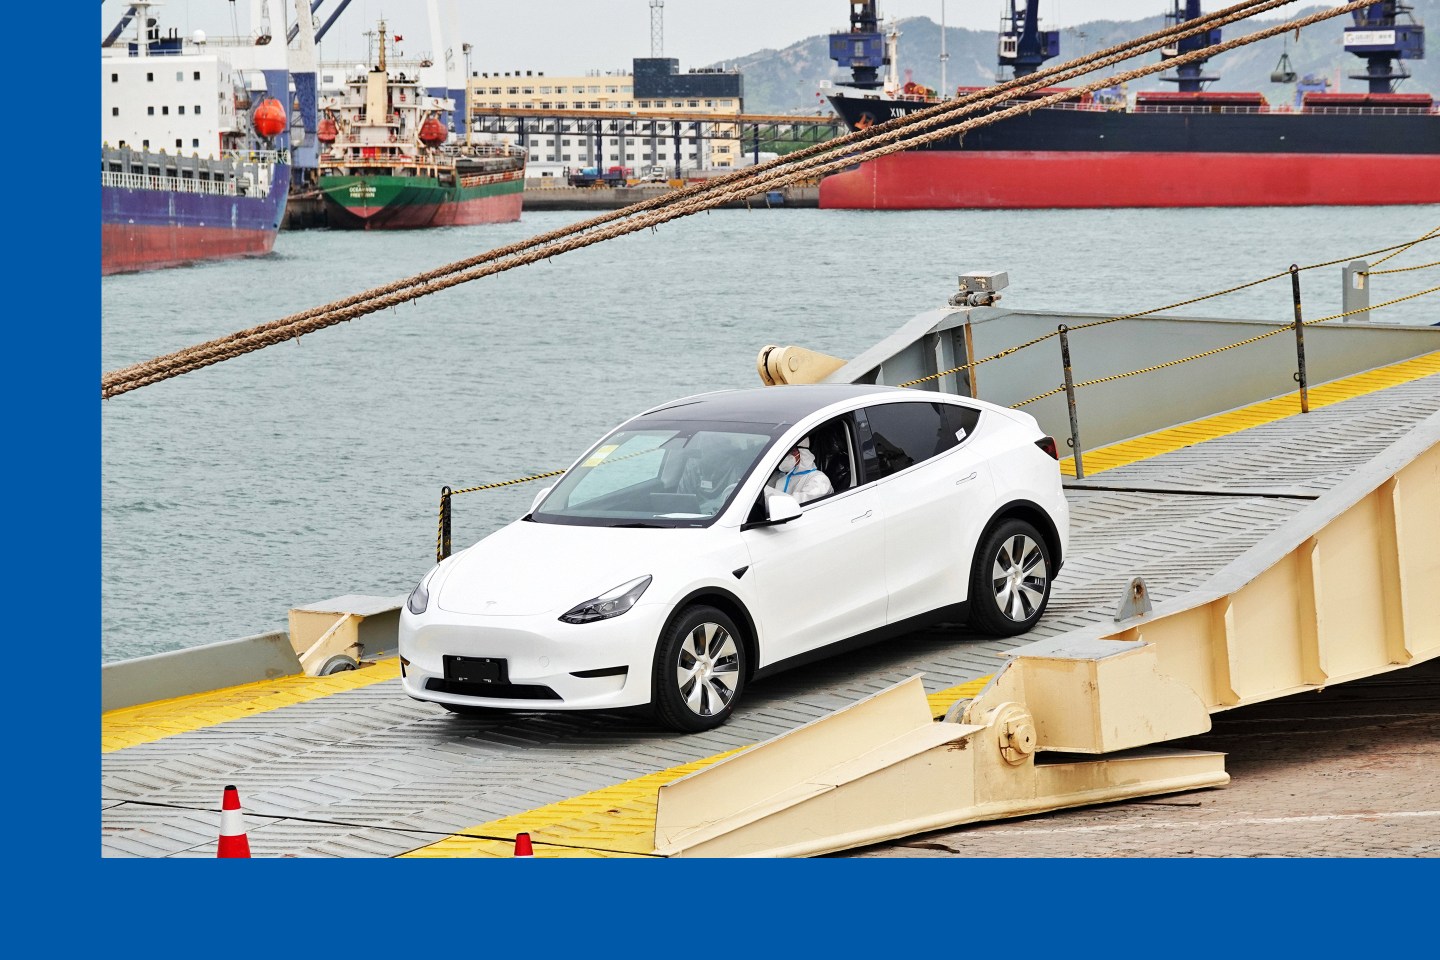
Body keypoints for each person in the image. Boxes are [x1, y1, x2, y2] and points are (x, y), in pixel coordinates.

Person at [768, 436, 833, 504]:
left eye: (792, 451)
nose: (785, 456)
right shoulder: (778, 476)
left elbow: (794, 504)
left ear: (803, 452)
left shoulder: (819, 479)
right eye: (784, 452)